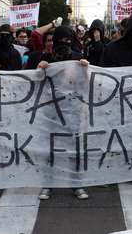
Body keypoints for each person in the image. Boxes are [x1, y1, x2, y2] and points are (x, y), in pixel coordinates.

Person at [33, 25, 91, 201]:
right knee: (50, 150)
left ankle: (76, 185)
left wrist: (86, 70)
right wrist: (39, 69)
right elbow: (35, 84)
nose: (63, 44)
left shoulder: (77, 59)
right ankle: (48, 185)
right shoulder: (46, 58)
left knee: (75, 150)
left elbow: (86, 85)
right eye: (60, 41)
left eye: (67, 40)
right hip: (51, 111)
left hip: (73, 110)